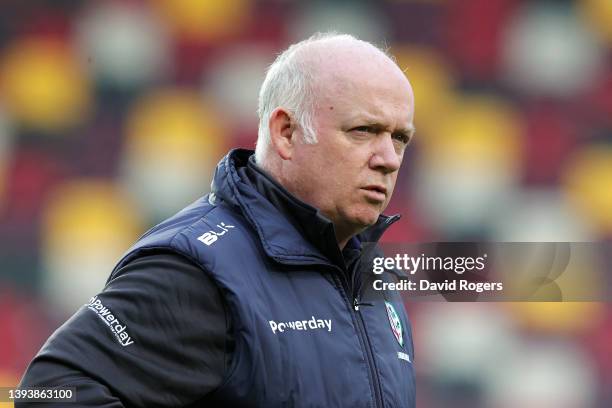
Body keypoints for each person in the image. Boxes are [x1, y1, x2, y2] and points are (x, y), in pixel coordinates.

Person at [18, 32, 416, 407]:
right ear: (286, 133)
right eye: (364, 130)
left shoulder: (372, 276)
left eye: (399, 138)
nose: (388, 159)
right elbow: (51, 390)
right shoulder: (199, 269)